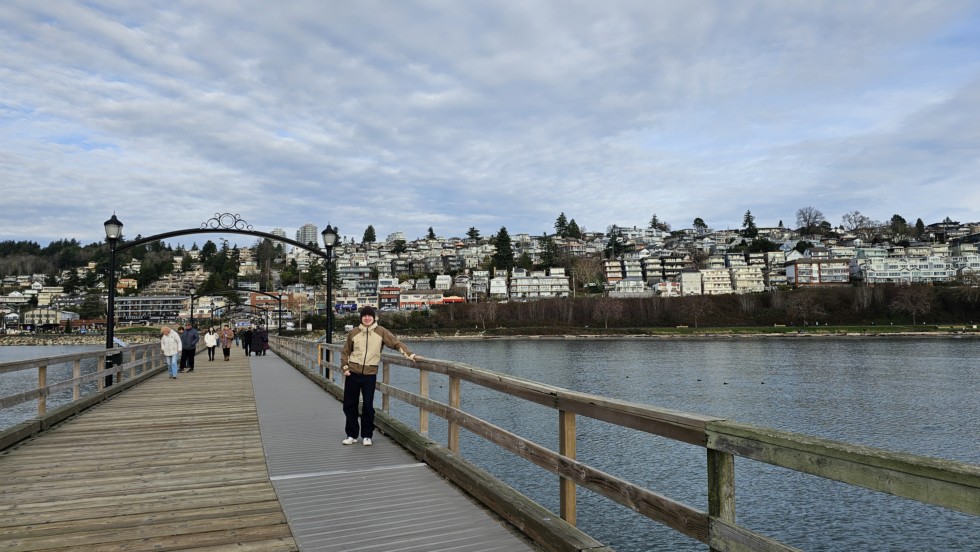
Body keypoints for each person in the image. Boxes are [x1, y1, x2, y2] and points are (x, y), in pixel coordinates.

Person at [340, 306, 419, 446]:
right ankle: (351, 435)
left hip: (370, 375)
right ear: (361, 318)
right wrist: (345, 367)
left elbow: (395, 343)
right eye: (364, 316)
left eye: (369, 315)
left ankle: (367, 435)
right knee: (349, 405)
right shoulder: (354, 332)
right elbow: (345, 351)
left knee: (368, 406)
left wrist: (410, 354)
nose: (367, 318)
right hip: (352, 373)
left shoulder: (381, 331)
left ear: (374, 317)